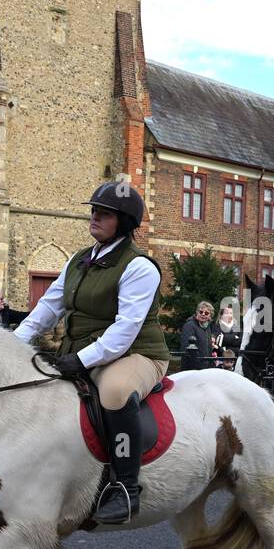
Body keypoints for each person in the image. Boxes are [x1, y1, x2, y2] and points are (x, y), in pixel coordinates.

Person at [14, 181, 170, 523]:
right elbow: (48, 308)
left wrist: (80, 360)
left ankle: (126, 488)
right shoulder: (78, 260)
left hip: (136, 354)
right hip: (83, 350)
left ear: (124, 223)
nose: (94, 217)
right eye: (94, 211)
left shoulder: (139, 267)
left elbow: (124, 332)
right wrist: (11, 344)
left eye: (105, 213)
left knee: (114, 393)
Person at [178, 301, 220, 371]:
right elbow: (185, 348)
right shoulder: (189, 325)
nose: (203, 314)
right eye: (201, 312)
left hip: (205, 368)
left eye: (206, 313)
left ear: (210, 316)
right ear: (197, 312)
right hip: (192, 368)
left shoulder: (207, 328)